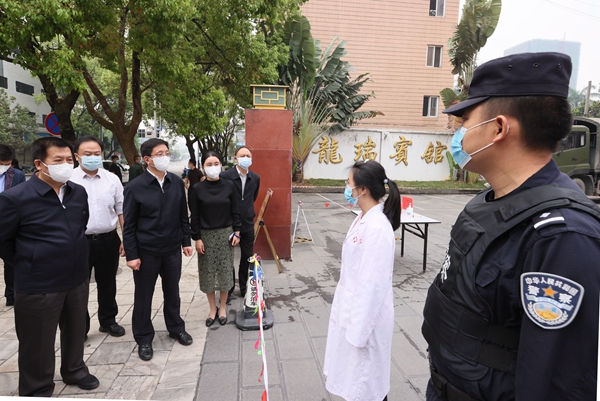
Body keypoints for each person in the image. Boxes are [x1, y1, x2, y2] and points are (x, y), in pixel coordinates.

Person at [421, 52, 600, 401]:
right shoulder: (491, 201)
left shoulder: (562, 237)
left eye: (465, 121)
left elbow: (556, 382)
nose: (457, 132)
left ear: (499, 128)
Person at [0, 137, 99, 396]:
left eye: (69, 159)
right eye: (58, 160)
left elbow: (81, 226)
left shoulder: (78, 192)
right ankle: (37, 388)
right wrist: (32, 260)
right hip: (38, 284)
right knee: (38, 341)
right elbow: (4, 242)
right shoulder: (15, 198)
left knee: (76, 330)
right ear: (39, 164)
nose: (66, 164)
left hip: (76, 278)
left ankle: (75, 369)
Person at [324, 160, 401, 401]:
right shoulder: (363, 218)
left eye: (349, 183)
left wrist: (357, 332)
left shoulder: (377, 228)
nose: (346, 188)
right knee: (356, 383)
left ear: (363, 189)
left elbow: (372, 286)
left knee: (366, 386)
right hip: (352, 312)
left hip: (366, 322)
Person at [123, 138, 193, 361]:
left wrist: (186, 241)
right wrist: (132, 255)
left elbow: (183, 215)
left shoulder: (175, 182)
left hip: (172, 249)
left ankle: (176, 327)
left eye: (167, 152)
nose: (165, 157)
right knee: (144, 296)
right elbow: (129, 225)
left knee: (172, 292)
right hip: (146, 252)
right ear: (147, 159)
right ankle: (144, 338)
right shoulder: (135, 187)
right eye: (159, 153)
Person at [70, 136, 126, 339]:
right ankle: (80, 327)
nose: (93, 157)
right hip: (78, 242)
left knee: (108, 283)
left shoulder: (112, 179)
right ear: (77, 156)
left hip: (108, 240)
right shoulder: (68, 179)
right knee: (78, 287)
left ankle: (108, 321)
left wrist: (126, 239)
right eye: (87, 154)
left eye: (96, 153)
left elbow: (121, 210)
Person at [188, 150, 241, 327]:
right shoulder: (197, 189)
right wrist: (197, 238)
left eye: (216, 164)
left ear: (221, 165)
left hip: (226, 234)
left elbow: (235, 210)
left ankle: (223, 307)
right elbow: (194, 216)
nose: (213, 167)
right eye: (209, 164)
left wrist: (237, 232)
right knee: (208, 274)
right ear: (203, 166)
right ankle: (212, 308)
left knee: (225, 272)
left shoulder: (229, 186)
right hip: (206, 236)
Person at [220, 146, 261, 299]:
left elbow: (253, 198)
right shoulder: (225, 176)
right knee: (227, 257)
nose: (245, 158)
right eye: (242, 155)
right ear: (235, 158)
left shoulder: (255, 178)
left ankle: (244, 288)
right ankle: (228, 289)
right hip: (229, 223)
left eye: (248, 155)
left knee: (247, 257)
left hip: (247, 223)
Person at [0, 145, 26, 306]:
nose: (4, 167)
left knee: (10, 261)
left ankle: (11, 294)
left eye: (7, 164)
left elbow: (21, 198)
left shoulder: (17, 175)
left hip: (8, 223)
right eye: (1, 163)